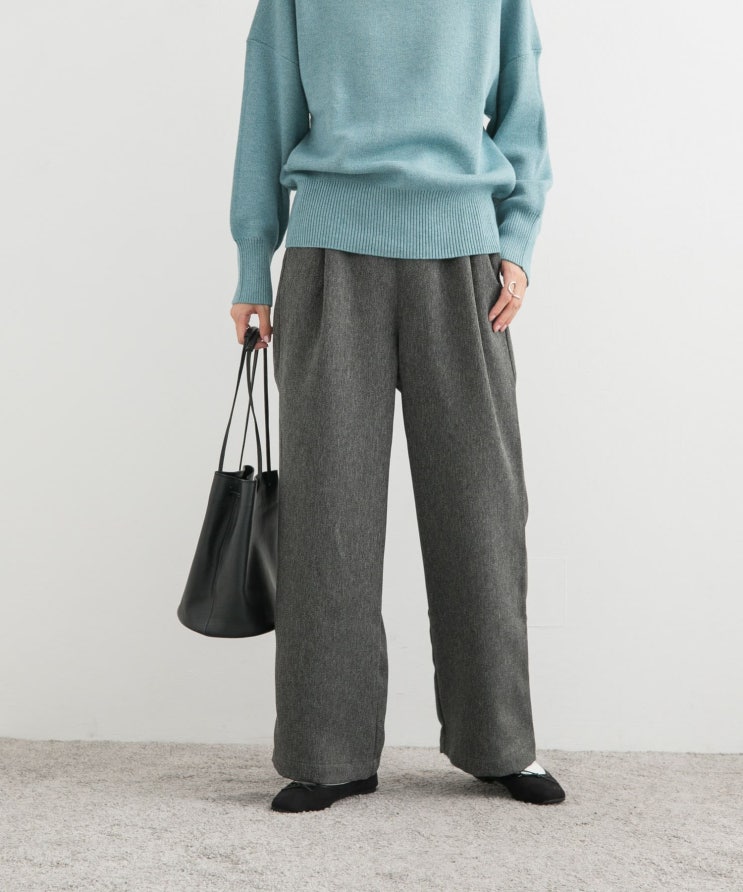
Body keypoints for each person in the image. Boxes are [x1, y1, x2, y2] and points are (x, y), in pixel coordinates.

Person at [227, 0, 566, 813]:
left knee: (481, 511)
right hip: (329, 256)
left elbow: (522, 110)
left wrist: (517, 245)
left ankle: (499, 742)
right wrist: (251, 263)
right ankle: (327, 753)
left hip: (465, 261)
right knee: (328, 516)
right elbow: (267, 108)